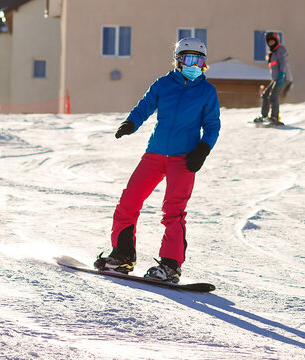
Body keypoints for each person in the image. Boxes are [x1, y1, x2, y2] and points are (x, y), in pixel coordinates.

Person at [94, 37, 221, 283]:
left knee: (173, 211)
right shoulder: (163, 84)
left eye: (199, 59)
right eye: (188, 58)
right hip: (155, 153)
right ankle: (122, 256)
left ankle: (170, 265)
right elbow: (144, 107)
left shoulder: (207, 91)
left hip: (184, 157)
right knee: (128, 201)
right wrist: (131, 122)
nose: (194, 64)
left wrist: (203, 149)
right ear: (178, 60)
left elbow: (213, 125)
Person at [254, 32, 292, 126]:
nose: (271, 43)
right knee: (265, 95)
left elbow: (283, 63)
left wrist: (282, 74)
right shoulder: (272, 52)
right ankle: (264, 116)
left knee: (273, 96)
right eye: (269, 41)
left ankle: (274, 117)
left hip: (283, 77)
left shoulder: (280, 49)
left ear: (276, 41)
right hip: (276, 79)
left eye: (272, 41)